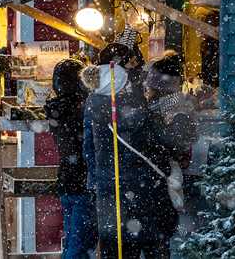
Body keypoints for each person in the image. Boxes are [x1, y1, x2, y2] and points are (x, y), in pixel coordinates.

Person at [82, 61, 186, 259]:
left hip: (111, 195)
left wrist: (98, 182)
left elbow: (88, 153)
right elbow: (162, 143)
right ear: (122, 84)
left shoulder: (93, 109)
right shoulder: (137, 110)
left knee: (118, 247)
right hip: (145, 192)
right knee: (154, 245)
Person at [44, 59, 98, 259]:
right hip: (82, 181)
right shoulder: (80, 110)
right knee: (79, 244)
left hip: (68, 180)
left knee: (73, 240)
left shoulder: (57, 108)